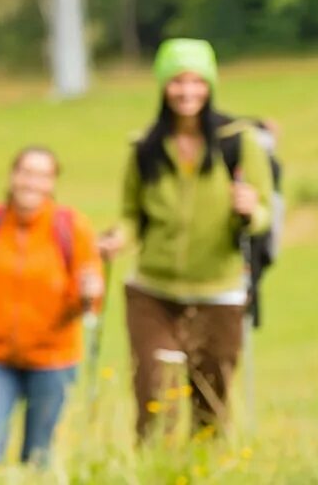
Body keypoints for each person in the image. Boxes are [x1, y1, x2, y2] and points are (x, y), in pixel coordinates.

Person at [98, 38, 275, 442]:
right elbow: (131, 214)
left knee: (209, 406)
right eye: (177, 81)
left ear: (210, 85)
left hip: (218, 292)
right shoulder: (145, 147)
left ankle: (203, 473)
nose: (187, 91)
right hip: (153, 292)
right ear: (163, 86)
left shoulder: (238, 141)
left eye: (197, 81)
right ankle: (152, 473)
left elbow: (263, 215)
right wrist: (116, 239)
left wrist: (250, 209)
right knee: (153, 399)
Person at [0, 146, 102, 465]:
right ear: (13, 176)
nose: (32, 183)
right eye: (26, 173)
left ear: (52, 184)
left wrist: (89, 295)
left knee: (39, 456)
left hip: (53, 360)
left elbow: (87, 296)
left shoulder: (72, 228)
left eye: (42, 175)